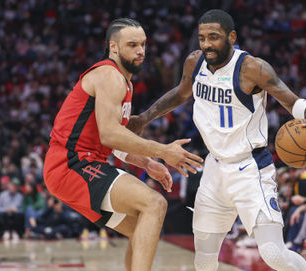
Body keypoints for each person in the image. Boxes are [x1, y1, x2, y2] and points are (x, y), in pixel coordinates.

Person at [129, 9, 306, 271]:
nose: (207, 44)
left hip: (251, 168)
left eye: (214, 37)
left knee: (273, 254)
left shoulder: (252, 67)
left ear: (231, 36)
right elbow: (180, 94)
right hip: (214, 168)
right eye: (202, 38)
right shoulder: (195, 61)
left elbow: (289, 99)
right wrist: (144, 117)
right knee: (204, 258)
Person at [43, 18, 203, 271]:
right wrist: (163, 151)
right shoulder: (109, 75)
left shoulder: (123, 82)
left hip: (78, 164)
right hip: (71, 164)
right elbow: (109, 135)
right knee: (155, 203)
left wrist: (148, 162)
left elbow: (113, 140)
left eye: (142, 44)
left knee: (140, 225)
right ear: (114, 47)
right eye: (132, 45)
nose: (140, 51)